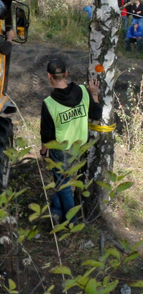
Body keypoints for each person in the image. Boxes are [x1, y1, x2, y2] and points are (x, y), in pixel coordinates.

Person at [40, 59, 101, 225]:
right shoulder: (83, 91)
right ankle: (56, 211)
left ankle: (72, 222)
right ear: (66, 74)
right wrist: (94, 93)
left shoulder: (49, 103)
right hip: (78, 146)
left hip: (60, 149)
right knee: (62, 180)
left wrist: (44, 152)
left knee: (63, 186)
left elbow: (46, 134)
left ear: (49, 76)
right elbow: (96, 114)